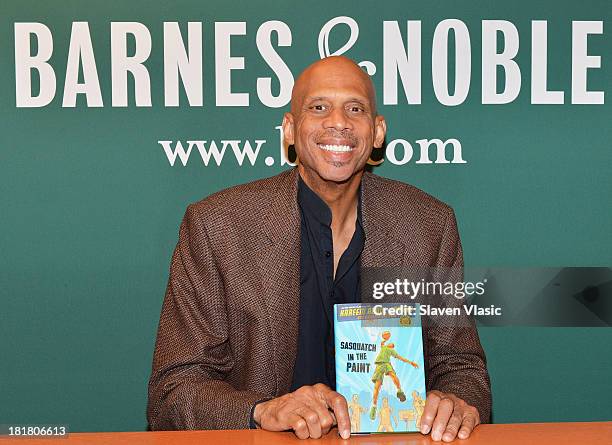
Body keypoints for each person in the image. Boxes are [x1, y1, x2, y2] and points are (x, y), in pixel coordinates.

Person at [147, 56, 491, 442]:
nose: (338, 122)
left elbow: (461, 368)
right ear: (290, 130)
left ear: (377, 133)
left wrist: (456, 402)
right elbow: (174, 389)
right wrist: (262, 410)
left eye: (355, 108)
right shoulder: (218, 227)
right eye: (319, 107)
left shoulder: (427, 226)